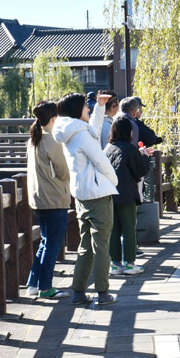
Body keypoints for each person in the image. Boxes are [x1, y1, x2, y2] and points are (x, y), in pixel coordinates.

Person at [52, 92, 119, 305]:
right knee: (101, 246)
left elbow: (94, 131)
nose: (88, 109)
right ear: (76, 110)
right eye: (86, 107)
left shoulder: (70, 131)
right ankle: (103, 292)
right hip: (98, 193)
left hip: (81, 193)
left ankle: (79, 292)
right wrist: (113, 180)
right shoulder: (80, 134)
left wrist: (100, 107)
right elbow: (100, 159)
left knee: (86, 245)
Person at [25, 101, 70, 299]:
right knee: (52, 244)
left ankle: (33, 284)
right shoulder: (51, 140)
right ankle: (46, 288)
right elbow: (63, 170)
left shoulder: (34, 138)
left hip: (38, 198)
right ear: (53, 118)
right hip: (53, 198)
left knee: (45, 242)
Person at [105, 117, 152, 275]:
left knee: (114, 230)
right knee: (129, 229)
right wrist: (145, 156)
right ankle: (130, 264)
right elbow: (141, 170)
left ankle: (115, 264)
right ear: (129, 131)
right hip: (126, 194)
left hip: (109, 195)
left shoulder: (108, 148)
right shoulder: (130, 148)